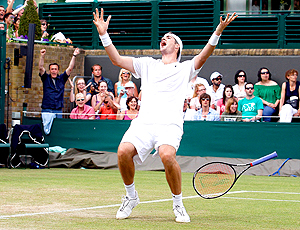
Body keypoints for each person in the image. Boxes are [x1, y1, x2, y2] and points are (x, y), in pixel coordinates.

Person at [93, 7, 237, 222]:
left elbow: (204, 55)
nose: (164, 38)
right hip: (145, 122)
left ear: (177, 46)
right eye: (163, 37)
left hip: (170, 124)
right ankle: (131, 197)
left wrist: (218, 30)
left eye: (169, 38)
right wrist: (104, 34)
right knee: (123, 152)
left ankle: (178, 204)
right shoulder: (147, 64)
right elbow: (116, 60)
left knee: (167, 155)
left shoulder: (186, 67)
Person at [38, 47, 80, 118]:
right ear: (49, 70)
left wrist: (74, 55)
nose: (54, 71)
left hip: (58, 109)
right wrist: (42, 56)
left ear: (58, 71)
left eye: (55, 69)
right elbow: (40, 68)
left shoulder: (61, 78)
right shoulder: (45, 78)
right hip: (47, 109)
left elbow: (70, 68)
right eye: (52, 69)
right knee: (46, 129)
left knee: (57, 127)